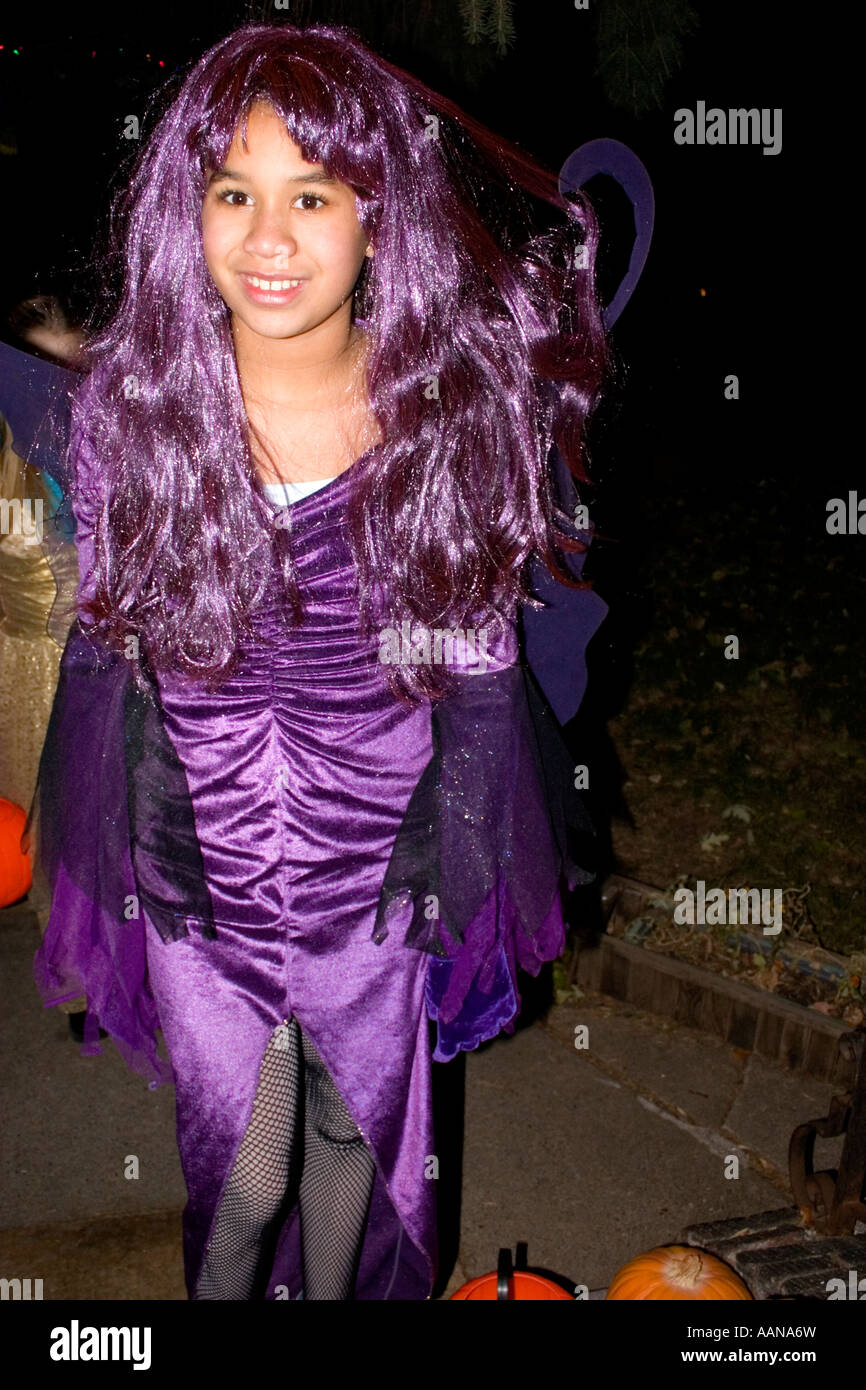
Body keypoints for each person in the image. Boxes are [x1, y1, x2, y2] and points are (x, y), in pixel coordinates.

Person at [32, 22, 609, 1301]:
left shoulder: (442, 422)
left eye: (311, 196)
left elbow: (474, 674)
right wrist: (131, 841)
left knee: (353, 1138)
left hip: (377, 862)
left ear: (376, 217)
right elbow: (111, 650)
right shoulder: (140, 416)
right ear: (188, 213)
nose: (268, 237)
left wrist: (458, 867)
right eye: (232, 193)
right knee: (242, 1169)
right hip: (208, 862)